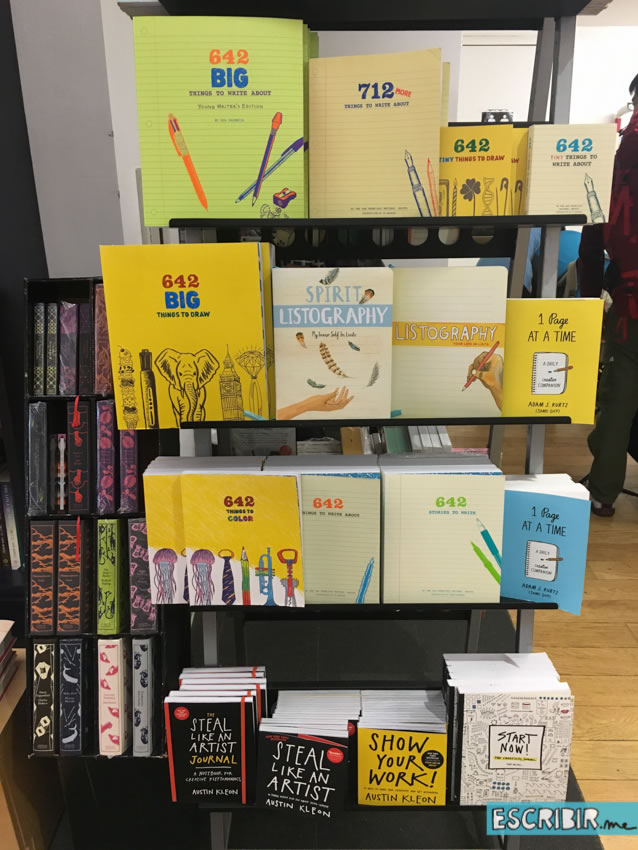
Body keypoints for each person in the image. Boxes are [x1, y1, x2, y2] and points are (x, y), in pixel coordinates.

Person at [578, 73, 638, 517]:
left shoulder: (619, 157)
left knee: (620, 398)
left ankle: (601, 491)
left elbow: (593, 231)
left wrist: (587, 300)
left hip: (632, 302)